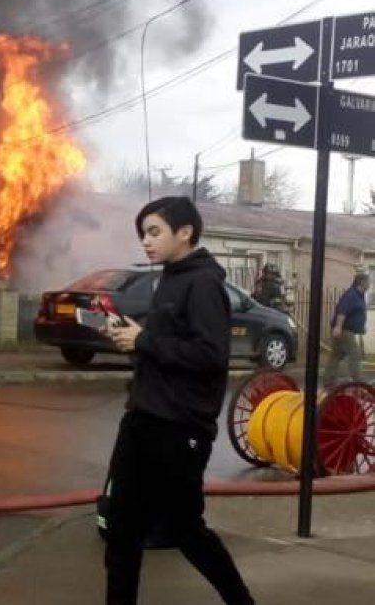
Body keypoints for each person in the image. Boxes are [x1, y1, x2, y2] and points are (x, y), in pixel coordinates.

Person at [101, 196, 254, 605]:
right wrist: (132, 340)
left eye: (154, 232)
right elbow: (165, 346)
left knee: (185, 530)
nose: (146, 242)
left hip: (178, 429)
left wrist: (145, 338)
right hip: (141, 420)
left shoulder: (204, 283)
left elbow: (210, 356)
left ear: (185, 232)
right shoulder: (170, 277)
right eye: (142, 234)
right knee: (121, 529)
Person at [324, 272, 369, 386]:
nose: (370, 284)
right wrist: (338, 327)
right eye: (368, 282)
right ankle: (359, 381)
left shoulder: (359, 295)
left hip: (347, 330)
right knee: (355, 354)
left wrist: (360, 327)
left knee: (336, 355)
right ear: (362, 282)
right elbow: (342, 311)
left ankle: (328, 381)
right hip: (344, 330)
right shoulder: (351, 295)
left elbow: (356, 313)